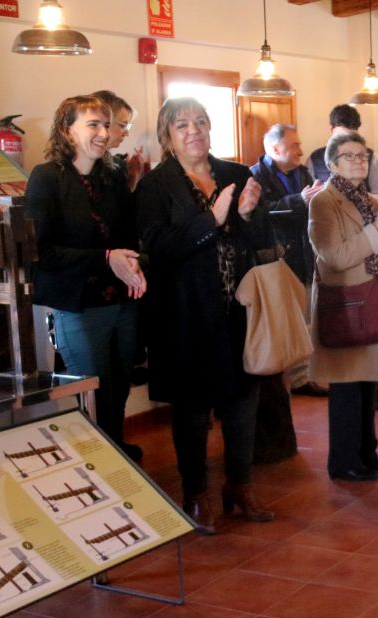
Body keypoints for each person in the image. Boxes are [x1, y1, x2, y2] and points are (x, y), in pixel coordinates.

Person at [136, 96, 274, 531]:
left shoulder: (236, 174)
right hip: (186, 315)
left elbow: (261, 238)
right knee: (193, 411)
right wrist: (208, 221)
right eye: (182, 125)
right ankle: (195, 494)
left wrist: (248, 215)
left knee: (242, 403)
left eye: (200, 122)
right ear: (168, 136)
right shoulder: (154, 187)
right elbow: (155, 246)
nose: (193, 130)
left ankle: (241, 485)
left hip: (239, 307)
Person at [25, 95, 147, 463]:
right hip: (79, 303)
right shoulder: (46, 178)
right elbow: (41, 253)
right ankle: (94, 464)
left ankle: (115, 454)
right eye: (93, 124)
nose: (103, 132)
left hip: (121, 301)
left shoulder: (111, 176)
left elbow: (127, 236)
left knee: (119, 386)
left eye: (107, 125)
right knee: (90, 389)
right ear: (67, 130)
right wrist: (107, 259)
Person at [308, 131, 378, 482]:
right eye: (349, 155)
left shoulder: (371, 200)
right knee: (346, 387)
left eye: (363, 155)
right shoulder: (324, 202)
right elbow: (335, 256)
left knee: (368, 383)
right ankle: (343, 462)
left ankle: (367, 454)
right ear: (332, 164)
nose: (358, 161)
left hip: (372, 296)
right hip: (344, 301)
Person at [249, 124, 325, 397]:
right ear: (274, 148)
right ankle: (276, 382)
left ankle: (301, 379)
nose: (301, 151)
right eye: (294, 146)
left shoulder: (303, 173)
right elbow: (261, 215)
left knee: (304, 321)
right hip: (275, 260)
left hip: (304, 256)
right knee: (278, 325)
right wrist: (299, 200)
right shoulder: (255, 177)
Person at [307, 104, 378, 199]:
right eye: (341, 137)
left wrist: (357, 196)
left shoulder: (370, 157)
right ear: (331, 131)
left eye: (351, 137)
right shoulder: (314, 159)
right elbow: (308, 200)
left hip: (363, 212)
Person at [90, 90, 147, 191]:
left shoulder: (114, 165)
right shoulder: (74, 168)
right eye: (122, 126)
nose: (127, 133)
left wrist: (132, 177)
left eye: (128, 127)